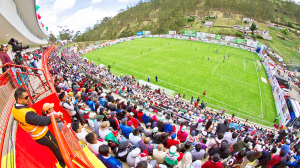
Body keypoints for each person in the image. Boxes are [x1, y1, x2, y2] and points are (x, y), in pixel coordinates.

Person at [12, 87, 66, 167]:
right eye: (26, 98)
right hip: (43, 135)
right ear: (19, 100)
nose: (28, 99)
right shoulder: (27, 114)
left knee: (54, 147)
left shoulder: (15, 109)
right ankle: (64, 163)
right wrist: (55, 117)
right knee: (56, 147)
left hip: (38, 135)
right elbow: (42, 121)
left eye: (28, 96)